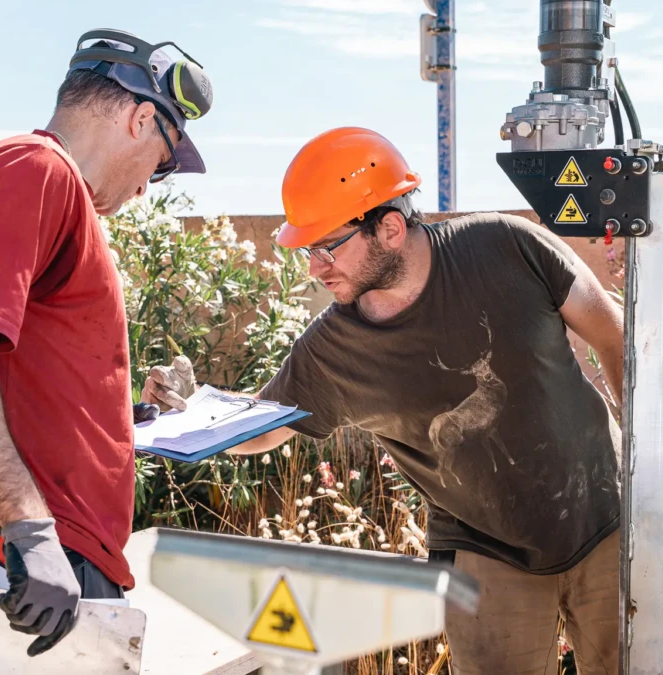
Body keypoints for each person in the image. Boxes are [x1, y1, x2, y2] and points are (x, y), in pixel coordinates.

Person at [142, 127, 623, 674]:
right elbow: (264, 427)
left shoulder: (508, 247)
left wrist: (650, 466)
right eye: (306, 250)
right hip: (487, 550)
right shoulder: (332, 350)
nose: (313, 268)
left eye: (326, 248)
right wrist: (190, 410)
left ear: (390, 228)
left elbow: (613, 336)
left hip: (607, 518)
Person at [0, 29, 212, 657]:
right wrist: (29, 530)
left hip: (47, 565)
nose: (150, 186)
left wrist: (128, 415)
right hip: (20, 568)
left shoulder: (57, 191)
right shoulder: (33, 169)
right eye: (162, 161)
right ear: (141, 117)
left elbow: (30, 389)